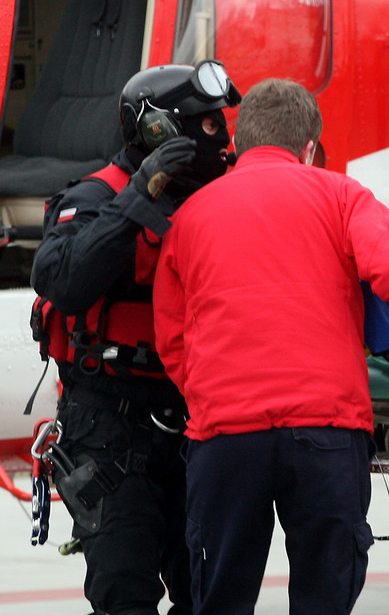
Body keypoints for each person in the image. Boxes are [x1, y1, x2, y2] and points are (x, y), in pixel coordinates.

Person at [152, 78, 389, 615]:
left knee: (219, 597)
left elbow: (171, 336)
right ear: (310, 147)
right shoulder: (343, 197)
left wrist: (209, 395)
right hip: (326, 433)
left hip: (226, 439)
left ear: (239, 145)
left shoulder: (190, 217)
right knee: (325, 596)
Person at [30, 59, 241, 615]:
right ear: (159, 131)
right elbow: (64, 280)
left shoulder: (225, 200)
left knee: (211, 594)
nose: (220, 137)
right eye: (208, 124)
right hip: (108, 428)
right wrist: (139, 201)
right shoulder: (95, 198)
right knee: (124, 593)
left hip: (198, 424)